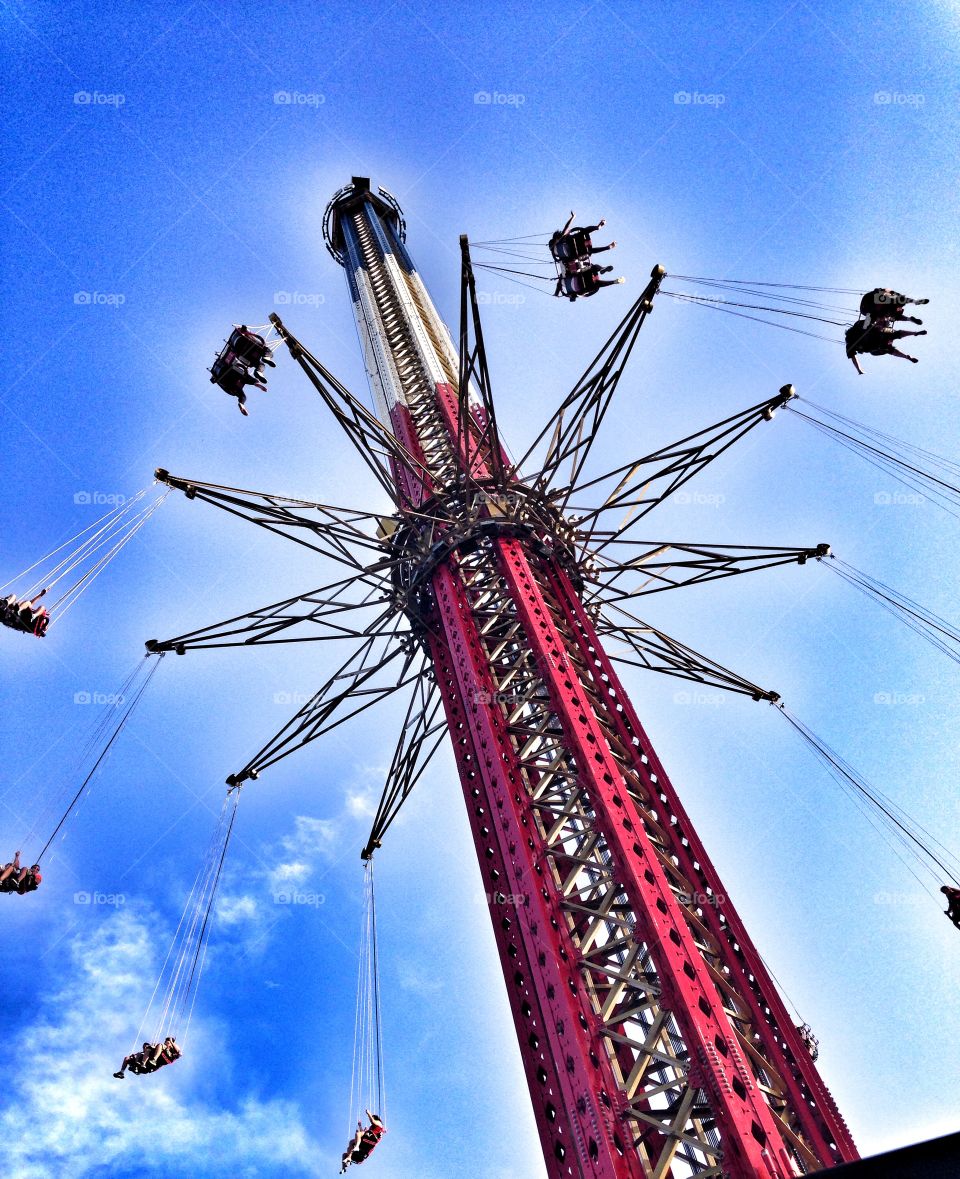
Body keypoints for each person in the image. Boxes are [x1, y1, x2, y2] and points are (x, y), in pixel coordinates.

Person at [844, 319, 926, 374]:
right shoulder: (857, 325)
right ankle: (914, 333)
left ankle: (906, 357)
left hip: (875, 343)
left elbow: (853, 358)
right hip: (877, 336)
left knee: (889, 349)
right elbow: (870, 320)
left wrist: (859, 370)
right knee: (895, 333)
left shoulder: (850, 343)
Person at [859, 288, 928, 327]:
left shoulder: (889, 310)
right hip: (870, 303)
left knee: (891, 310)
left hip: (870, 306)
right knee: (894, 304)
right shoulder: (889, 307)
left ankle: (914, 303)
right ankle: (914, 303)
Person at [555, 265, 626, 301]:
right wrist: (557, 293)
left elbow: (586, 295)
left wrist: (557, 293)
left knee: (597, 281)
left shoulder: (563, 284)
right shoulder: (563, 283)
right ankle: (603, 270)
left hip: (582, 282)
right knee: (596, 283)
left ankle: (612, 280)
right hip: (581, 284)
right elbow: (586, 295)